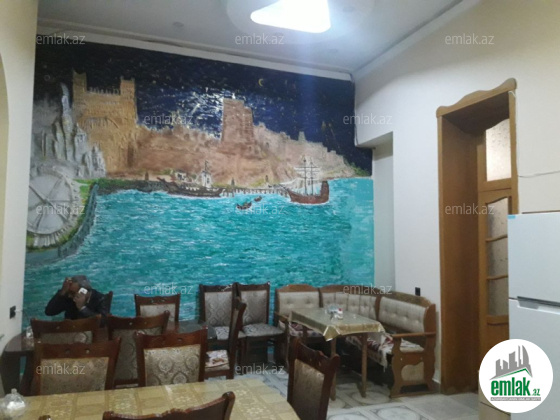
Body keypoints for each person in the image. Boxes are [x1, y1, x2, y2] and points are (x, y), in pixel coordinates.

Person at [45, 275, 109, 325]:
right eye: (68, 292)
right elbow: (49, 312)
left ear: (84, 291)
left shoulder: (100, 298)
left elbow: (103, 322)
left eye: (72, 293)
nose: (69, 295)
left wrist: (82, 308)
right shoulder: (68, 297)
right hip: (71, 329)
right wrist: (62, 293)